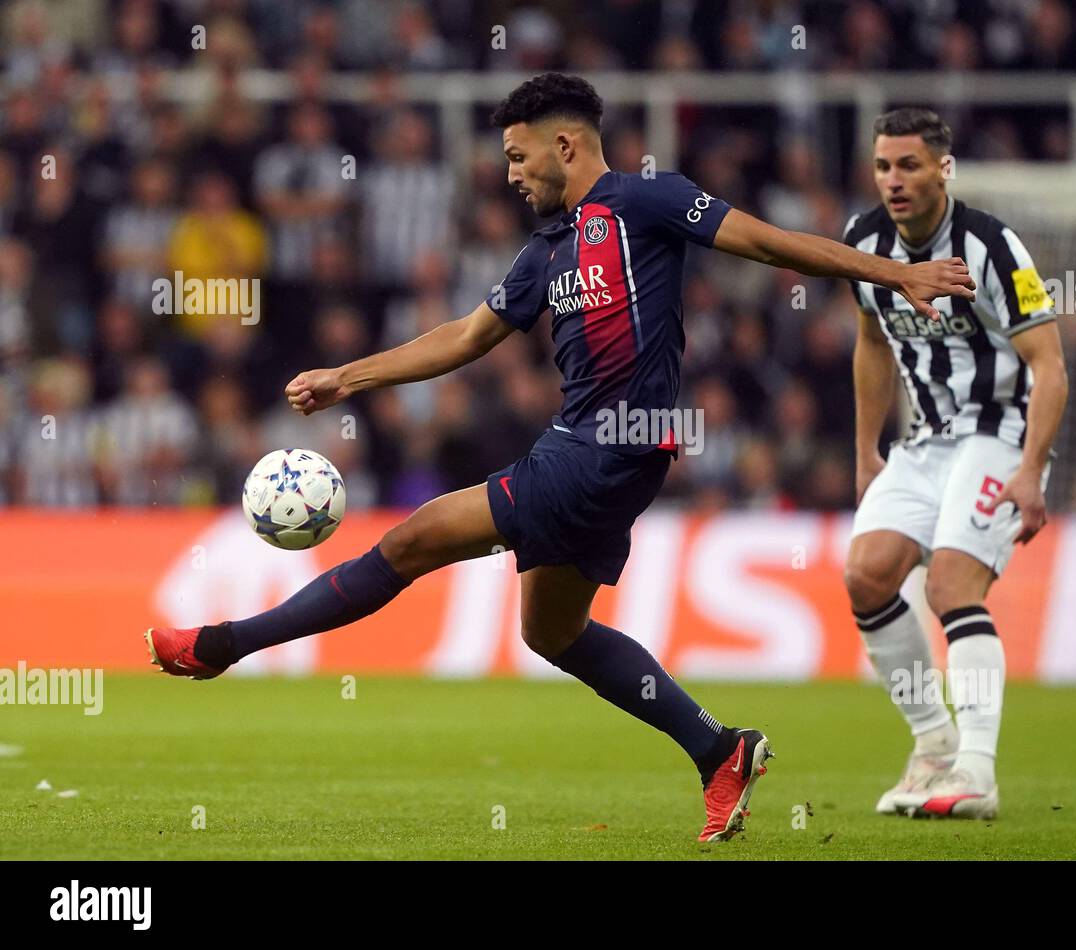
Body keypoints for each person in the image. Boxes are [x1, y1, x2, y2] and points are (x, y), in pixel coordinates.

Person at [146, 74, 974, 842]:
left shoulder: (649, 201)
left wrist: (890, 273)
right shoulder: (548, 248)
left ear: (565, 145)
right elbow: (466, 337)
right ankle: (719, 750)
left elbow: (767, 244)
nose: (509, 173)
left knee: (410, 542)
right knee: (551, 629)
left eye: (517, 154)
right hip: (600, 450)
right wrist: (348, 378)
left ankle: (221, 644)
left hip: (602, 451)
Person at [842, 108, 1068, 819]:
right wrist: (865, 449)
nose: (893, 180)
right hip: (927, 440)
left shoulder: (992, 245)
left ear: (944, 168)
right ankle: (932, 746)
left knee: (949, 586)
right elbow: (872, 343)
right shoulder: (863, 241)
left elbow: (1050, 365)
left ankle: (975, 771)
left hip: (1000, 433)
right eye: (883, 166)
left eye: (908, 165)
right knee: (867, 574)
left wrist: (1031, 468)